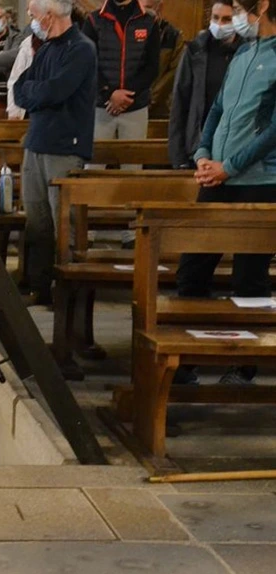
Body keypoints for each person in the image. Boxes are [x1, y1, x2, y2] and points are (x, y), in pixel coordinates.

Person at [175, 0, 276, 386]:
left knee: (249, 277)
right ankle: (186, 360)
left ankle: (244, 365)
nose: (234, 15)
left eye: (236, 7)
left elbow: (272, 131)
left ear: (262, 6)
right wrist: (203, 152)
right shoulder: (244, 52)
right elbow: (217, 109)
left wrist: (229, 166)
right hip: (216, 179)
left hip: (258, 184)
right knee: (192, 270)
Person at [13, 0, 96, 306]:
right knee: (37, 222)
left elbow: (56, 91)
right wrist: (37, 94)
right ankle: (39, 286)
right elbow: (20, 88)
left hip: (64, 145)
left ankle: (66, 292)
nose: (32, 21)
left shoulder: (81, 49)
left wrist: (37, 94)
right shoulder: (46, 48)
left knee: (64, 222)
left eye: (34, 15)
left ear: (49, 16)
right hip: (35, 142)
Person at [83, 0, 159, 247]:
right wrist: (109, 93)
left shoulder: (148, 21)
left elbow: (152, 66)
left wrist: (128, 95)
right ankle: (88, 230)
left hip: (134, 107)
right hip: (100, 106)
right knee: (93, 170)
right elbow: (88, 62)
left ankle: (131, 234)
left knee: (133, 170)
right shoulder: (94, 20)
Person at [168, 0, 242, 169]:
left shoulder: (247, 50)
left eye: (226, 19)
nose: (219, 24)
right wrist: (178, 156)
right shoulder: (195, 50)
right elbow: (180, 102)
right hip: (200, 145)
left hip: (236, 146)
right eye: (215, 18)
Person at [142, 0, 182, 119]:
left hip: (160, 111)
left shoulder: (173, 36)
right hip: (129, 108)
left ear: (159, 7)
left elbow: (174, 72)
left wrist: (149, 99)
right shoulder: (127, 32)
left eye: (148, 7)